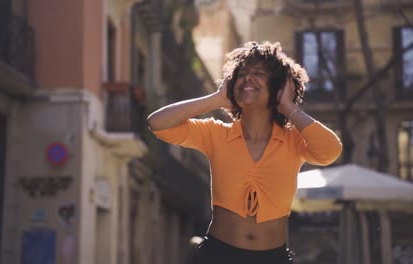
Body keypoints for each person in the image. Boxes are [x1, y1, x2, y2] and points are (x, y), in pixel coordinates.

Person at [147, 41, 342, 264]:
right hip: (217, 255)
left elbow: (330, 151)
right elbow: (158, 123)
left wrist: (288, 106)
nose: (248, 78)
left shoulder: (294, 141)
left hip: (272, 258)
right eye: (242, 74)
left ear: (278, 86)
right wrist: (217, 99)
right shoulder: (216, 134)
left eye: (259, 73)